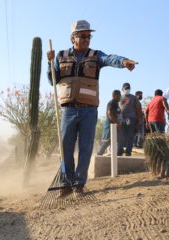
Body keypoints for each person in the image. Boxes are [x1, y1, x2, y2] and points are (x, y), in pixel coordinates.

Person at [47, 20, 138, 196]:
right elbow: (53, 80)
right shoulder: (60, 55)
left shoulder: (95, 55)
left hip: (89, 110)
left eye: (89, 36)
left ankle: (79, 184)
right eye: (83, 36)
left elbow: (110, 58)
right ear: (73, 37)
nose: (87, 39)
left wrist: (124, 61)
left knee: (86, 147)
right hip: (68, 110)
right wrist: (49, 63)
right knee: (65, 147)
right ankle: (66, 183)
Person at [118, 83, 141, 156]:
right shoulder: (119, 98)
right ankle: (119, 152)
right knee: (120, 137)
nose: (127, 89)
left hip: (132, 119)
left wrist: (138, 122)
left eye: (128, 88)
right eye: (126, 88)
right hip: (121, 120)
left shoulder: (134, 98)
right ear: (122, 89)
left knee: (130, 137)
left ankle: (128, 153)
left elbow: (138, 110)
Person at [97, 90, 121, 155]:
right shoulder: (112, 102)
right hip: (110, 124)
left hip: (114, 124)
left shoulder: (116, 103)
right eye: (119, 95)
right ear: (115, 95)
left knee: (114, 141)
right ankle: (99, 154)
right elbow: (110, 113)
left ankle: (115, 155)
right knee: (107, 141)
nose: (120, 96)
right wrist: (117, 123)